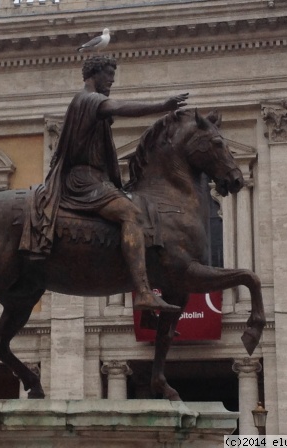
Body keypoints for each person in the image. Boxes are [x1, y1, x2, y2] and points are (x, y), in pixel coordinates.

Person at [20, 55, 188, 312]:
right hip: (84, 180)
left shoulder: (87, 102)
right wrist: (162, 106)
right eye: (108, 74)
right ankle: (143, 291)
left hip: (94, 178)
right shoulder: (89, 99)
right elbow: (120, 108)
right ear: (93, 74)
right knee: (131, 213)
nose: (111, 79)